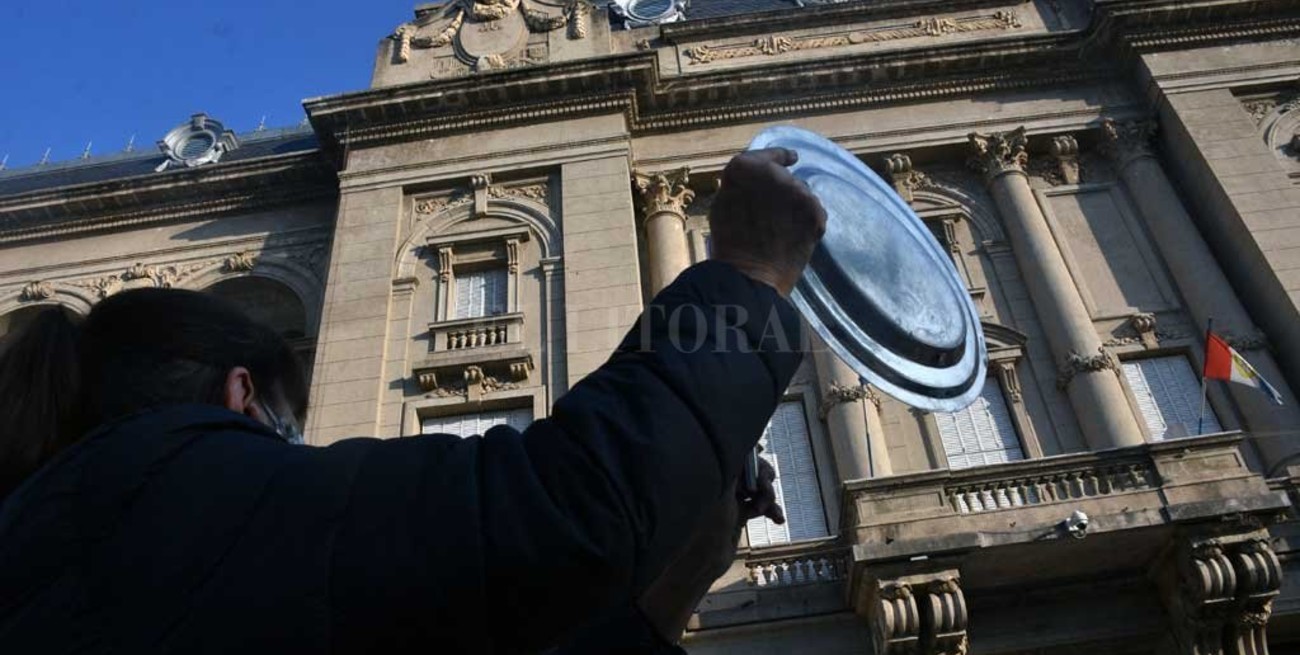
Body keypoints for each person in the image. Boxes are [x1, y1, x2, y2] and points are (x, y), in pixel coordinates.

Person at [0, 147, 826, 654]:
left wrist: (662, 600)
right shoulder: (184, 504)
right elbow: (560, 514)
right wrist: (745, 278)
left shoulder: (73, 550)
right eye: (285, 429)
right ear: (240, 395)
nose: (294, 447)